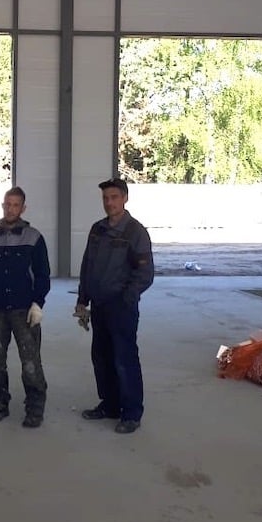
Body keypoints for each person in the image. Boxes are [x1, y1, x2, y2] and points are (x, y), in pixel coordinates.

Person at [75, 177, 154, 434]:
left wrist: (127, 298)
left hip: (121, 307)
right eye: (106, 198)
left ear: (125, 198)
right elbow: (87, 266)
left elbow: (145, 274)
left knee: (124, 359)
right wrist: (82, 299)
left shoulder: (135, 232)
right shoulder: (97, 229)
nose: (109, 203)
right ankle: (110, 405)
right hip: (99, 305)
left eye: (114, 197)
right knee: (102, 358)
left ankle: (131, 413)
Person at [0, 187, 50, 428]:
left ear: (23, 208)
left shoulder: (34, 238)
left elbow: (43, 274)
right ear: (2, 205)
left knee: (30, 362)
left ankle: (34, 408)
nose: (11, 209)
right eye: (7, 204)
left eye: (16, 205)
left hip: (24, 310)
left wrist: (38, 303)